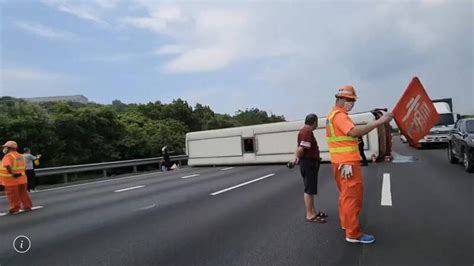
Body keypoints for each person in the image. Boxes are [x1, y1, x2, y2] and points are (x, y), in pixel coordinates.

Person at [326, 85, 393, 244]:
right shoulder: (340, 116)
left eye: (352, 100)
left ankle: (346, 223)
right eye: (348, 100)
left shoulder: (332, 115)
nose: (351, 103)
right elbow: (354, 132)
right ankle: (353, 234)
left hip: (339, 162)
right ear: (339, 99)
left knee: (345, 196)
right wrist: (380, 121)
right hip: (347, 163)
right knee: (352, 198)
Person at [294, 114, 327, 223]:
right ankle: (310, 214)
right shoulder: (307, 132)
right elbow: (302, 148)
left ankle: (313, 211)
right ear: (314, 122)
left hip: (308, 162)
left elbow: (298, 147)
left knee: (311, 188)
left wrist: (297, 158)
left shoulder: (303, 131)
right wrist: (298, 157)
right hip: (308, 163)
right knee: (309, 189)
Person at [0, 141, 33, 214]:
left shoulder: (8, 156)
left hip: (11, 180)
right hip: (22, 179)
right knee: (23, 193)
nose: (4, 148)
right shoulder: (20, 156)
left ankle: (14, 209)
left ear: (8, 148)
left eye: (5, 147)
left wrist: (12, 173)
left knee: (13, 195)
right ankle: (27, 207)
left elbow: (7, 165)